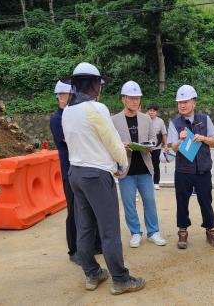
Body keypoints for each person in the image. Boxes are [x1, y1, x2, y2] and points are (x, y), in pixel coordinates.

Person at [62, 63, 145, 295]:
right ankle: (120, 278)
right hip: (96, 174)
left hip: (75, 172)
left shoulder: (67, 111)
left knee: (85, 226)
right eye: (99, 84)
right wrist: (123, 162)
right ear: (94, 85)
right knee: (109, 230)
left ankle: (92, 273)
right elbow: (111, 140)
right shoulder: (96, 109)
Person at [49, 80, 102, 266]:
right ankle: (74, 250)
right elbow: (72, 140)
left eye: (66, 94)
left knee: (91, 209)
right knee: (74, 212)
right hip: (70, 171)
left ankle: (95, 244)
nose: (63, 98)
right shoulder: (57, 119)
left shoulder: (74, 114)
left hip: (84, 167)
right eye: (60, 95)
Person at [112, 81, 166, 248]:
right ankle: (135, 232)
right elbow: (110, 144)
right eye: (131, 98)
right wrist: (121, 146)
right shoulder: (114, 120)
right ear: (123, 99)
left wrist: (148, 146)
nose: (135, 101)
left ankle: (153, 232)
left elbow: (153, 140)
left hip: (144, 167)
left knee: (149, 201)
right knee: (129, 203)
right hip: (125, 169)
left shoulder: (146, 119)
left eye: (137, 98)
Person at [167, 85, 214, 249]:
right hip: (183, 170)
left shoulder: (205, 119)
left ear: (194, 102)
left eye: (185, 101)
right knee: (182, 202)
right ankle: (182, 231)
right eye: (179, 102)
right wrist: (180, 139)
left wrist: (203, 138)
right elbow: (173, 147)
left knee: (206, 201)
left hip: (203, 169)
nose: (182, 105)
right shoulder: (174, 123)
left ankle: (210, 230)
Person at [146, 104, 168, 190]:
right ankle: (147, 183)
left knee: (156, 165)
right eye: (150, 110)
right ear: (147, 111)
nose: (151, 112)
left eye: (153, 111)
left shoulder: (160, 121)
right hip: (146, 147)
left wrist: (165, 145)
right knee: (146, 165)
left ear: (156, 112)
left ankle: (156, 183)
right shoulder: (144, 119)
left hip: (157, 147)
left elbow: (164, 134)